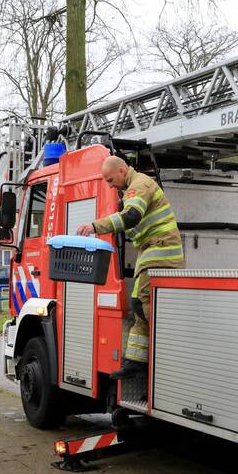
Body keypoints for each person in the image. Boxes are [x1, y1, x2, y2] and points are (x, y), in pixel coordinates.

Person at [77, 155, 185, 379]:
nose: (109, 185)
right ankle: (135, 361)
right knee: (138, 303)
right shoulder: (131, 187)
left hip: (160, 248)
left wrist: (95, 226)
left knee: (144, 303)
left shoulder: (139, 185)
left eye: (110, 180)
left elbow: (132, 216)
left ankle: (167, 348)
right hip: (151, 249)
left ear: (122, 171)